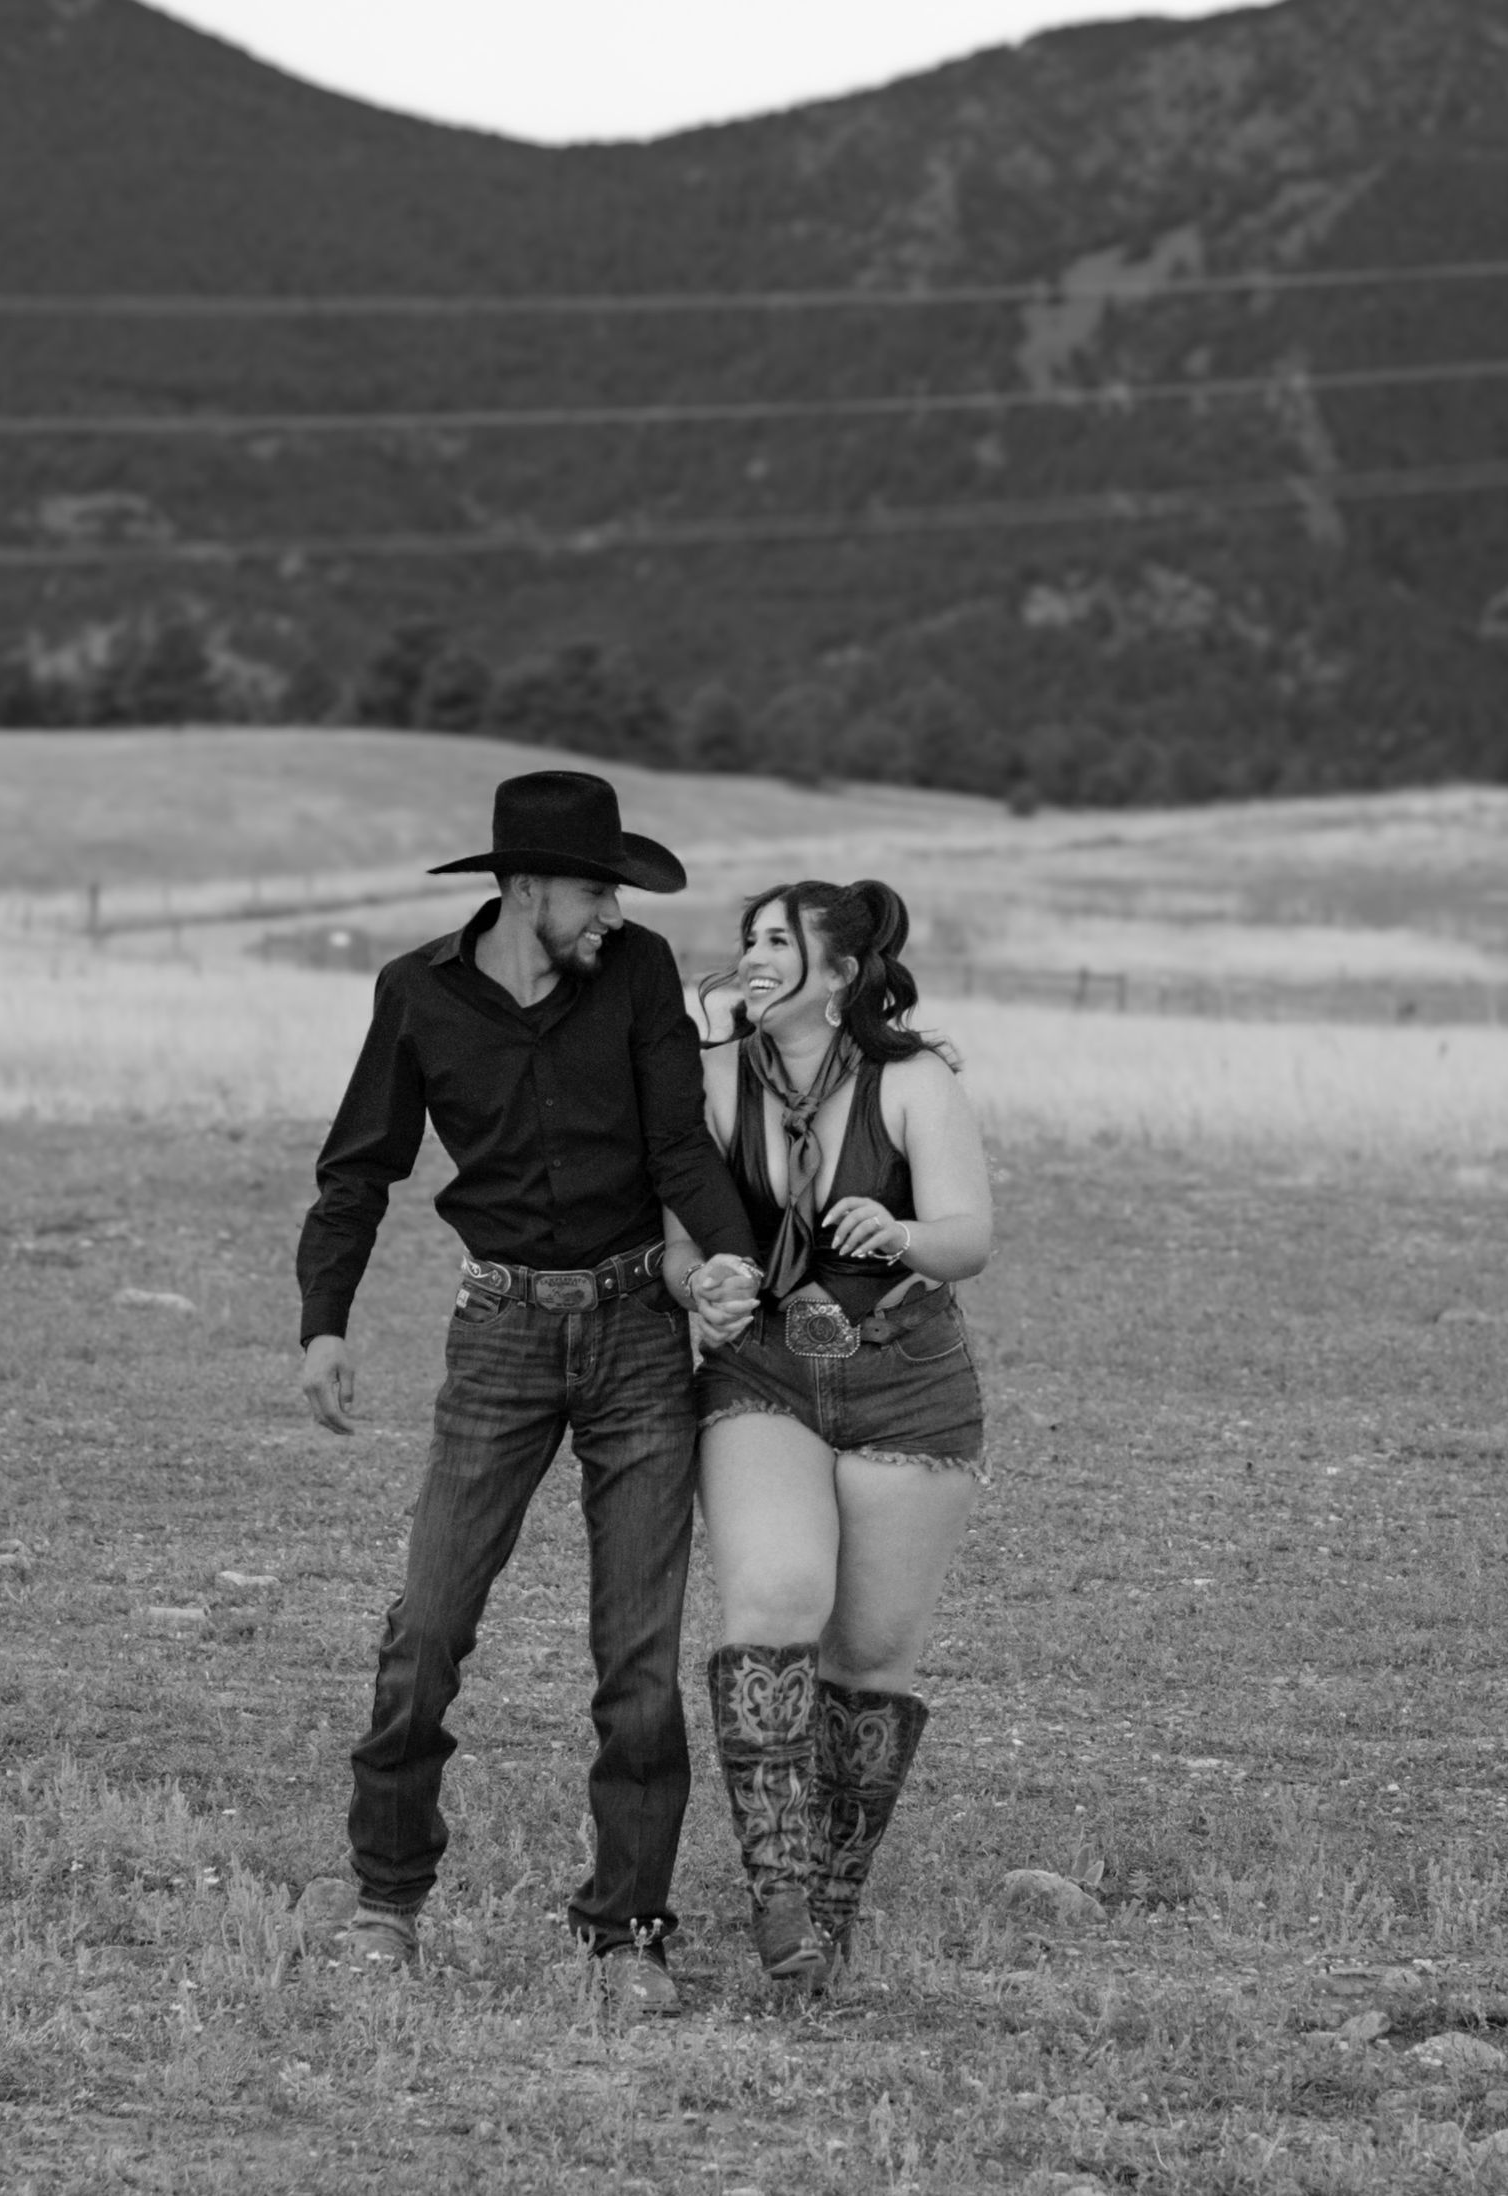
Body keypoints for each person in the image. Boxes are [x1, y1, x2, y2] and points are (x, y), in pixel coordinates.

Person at [296, 770, 760, 2017]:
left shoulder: (644, 973)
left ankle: (628, 1937)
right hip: (498, 1336)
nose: (613, 910)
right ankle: (386, 1903)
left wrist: (729, 1259)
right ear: (522, 889)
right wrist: (324, 1322)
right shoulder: (418, 994)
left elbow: (679, 1150)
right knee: (428, 1627)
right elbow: (359, 1169)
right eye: (597, 887)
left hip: (637, 1341)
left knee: (639, 1658)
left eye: (617, 889)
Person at [663, 879, 993, 1988]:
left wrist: (900, 1229)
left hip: (907, 1376)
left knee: (870, 1655)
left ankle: (837, 1907)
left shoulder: (913, 1082)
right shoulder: (710, 1079)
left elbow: (970, 1238)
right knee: (773, 1601)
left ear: (844, 973)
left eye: (779, 943)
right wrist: (699, 1277)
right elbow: (669, 1240)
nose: (753, 958)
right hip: (766, 1371)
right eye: (746, 940)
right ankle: (783, 1902)